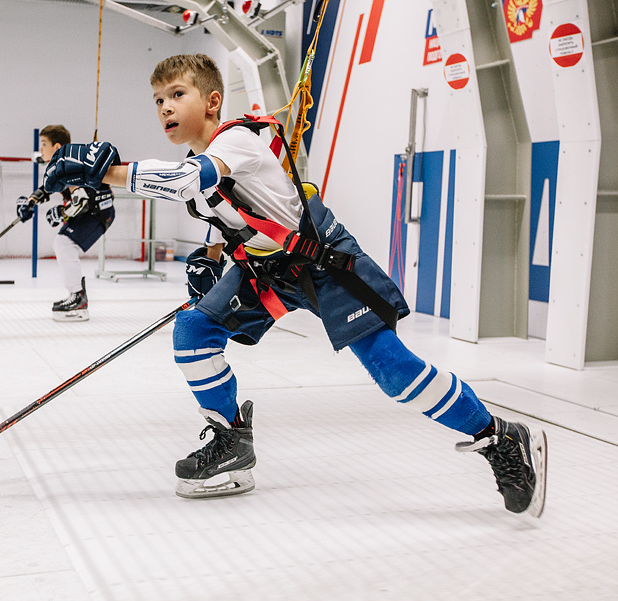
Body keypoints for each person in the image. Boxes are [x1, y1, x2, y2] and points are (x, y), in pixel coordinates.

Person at [42, 54, 547, 517]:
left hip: (323, 262)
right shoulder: (205, 159)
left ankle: (499, 437)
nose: (165, 107)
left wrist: (107, 172)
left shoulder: (233, 142)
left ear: (212, 101)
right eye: (158, 100)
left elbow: (186, 182)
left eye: (177, 94)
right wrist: (210, 258)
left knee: (394, 372)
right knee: (193, 332)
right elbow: (227, 212)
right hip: (267, 271)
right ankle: (230, 441)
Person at [16, 125, 116, 321]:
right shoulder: (61, 162)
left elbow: (83, 200)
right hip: (88, 212)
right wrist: (30, 202)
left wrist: (62, 213)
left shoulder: (72, 164)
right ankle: (76, 296)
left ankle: (79, 300)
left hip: (98, 213)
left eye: (44, 144)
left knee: (64, 243)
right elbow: (48, 187)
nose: (41, 149)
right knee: (61, 244)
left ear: (57, 146)